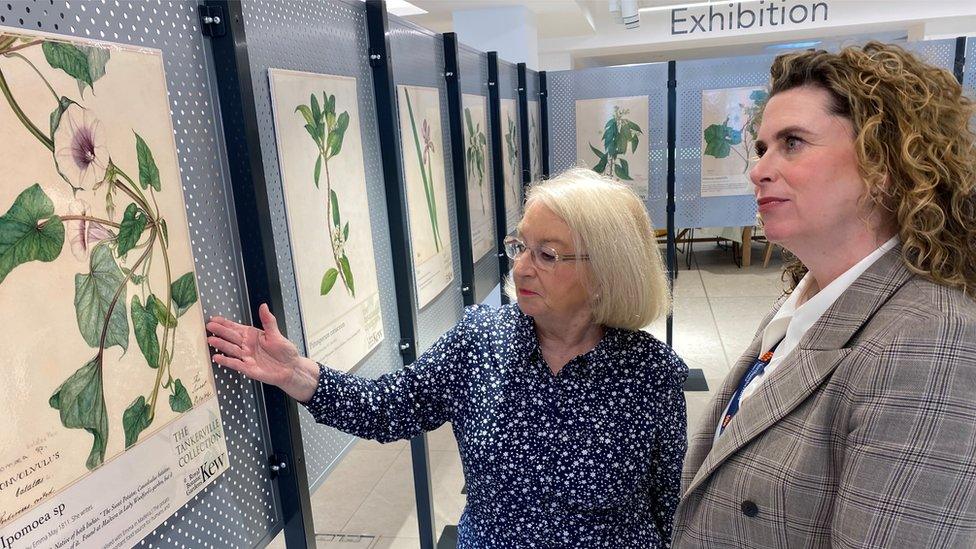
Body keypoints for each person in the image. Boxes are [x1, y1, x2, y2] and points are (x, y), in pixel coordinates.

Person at [207, 168, 688, 548]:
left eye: (547, 254)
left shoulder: (653, 374)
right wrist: (297, 373)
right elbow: (389, 406)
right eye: (520, 246)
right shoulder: (482, 340)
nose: (520, 266)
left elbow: (670, 507)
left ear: (606, 270)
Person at [673, 42, 976, 548]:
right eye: (763, 147)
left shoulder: (932, 342)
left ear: (884, 161)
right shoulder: (811, 298)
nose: (759, 169)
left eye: (792, 142)